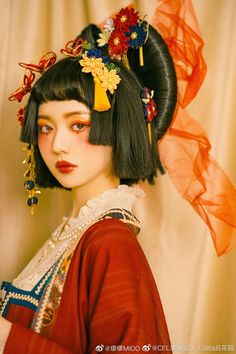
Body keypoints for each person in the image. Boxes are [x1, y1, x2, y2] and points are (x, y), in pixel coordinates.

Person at [0, 6, 177, 354]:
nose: (57, 145)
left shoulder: (109, 241)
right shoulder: (77, 232)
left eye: (78, 124)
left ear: (118, 127)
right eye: (45, 127)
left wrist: (7, 338)